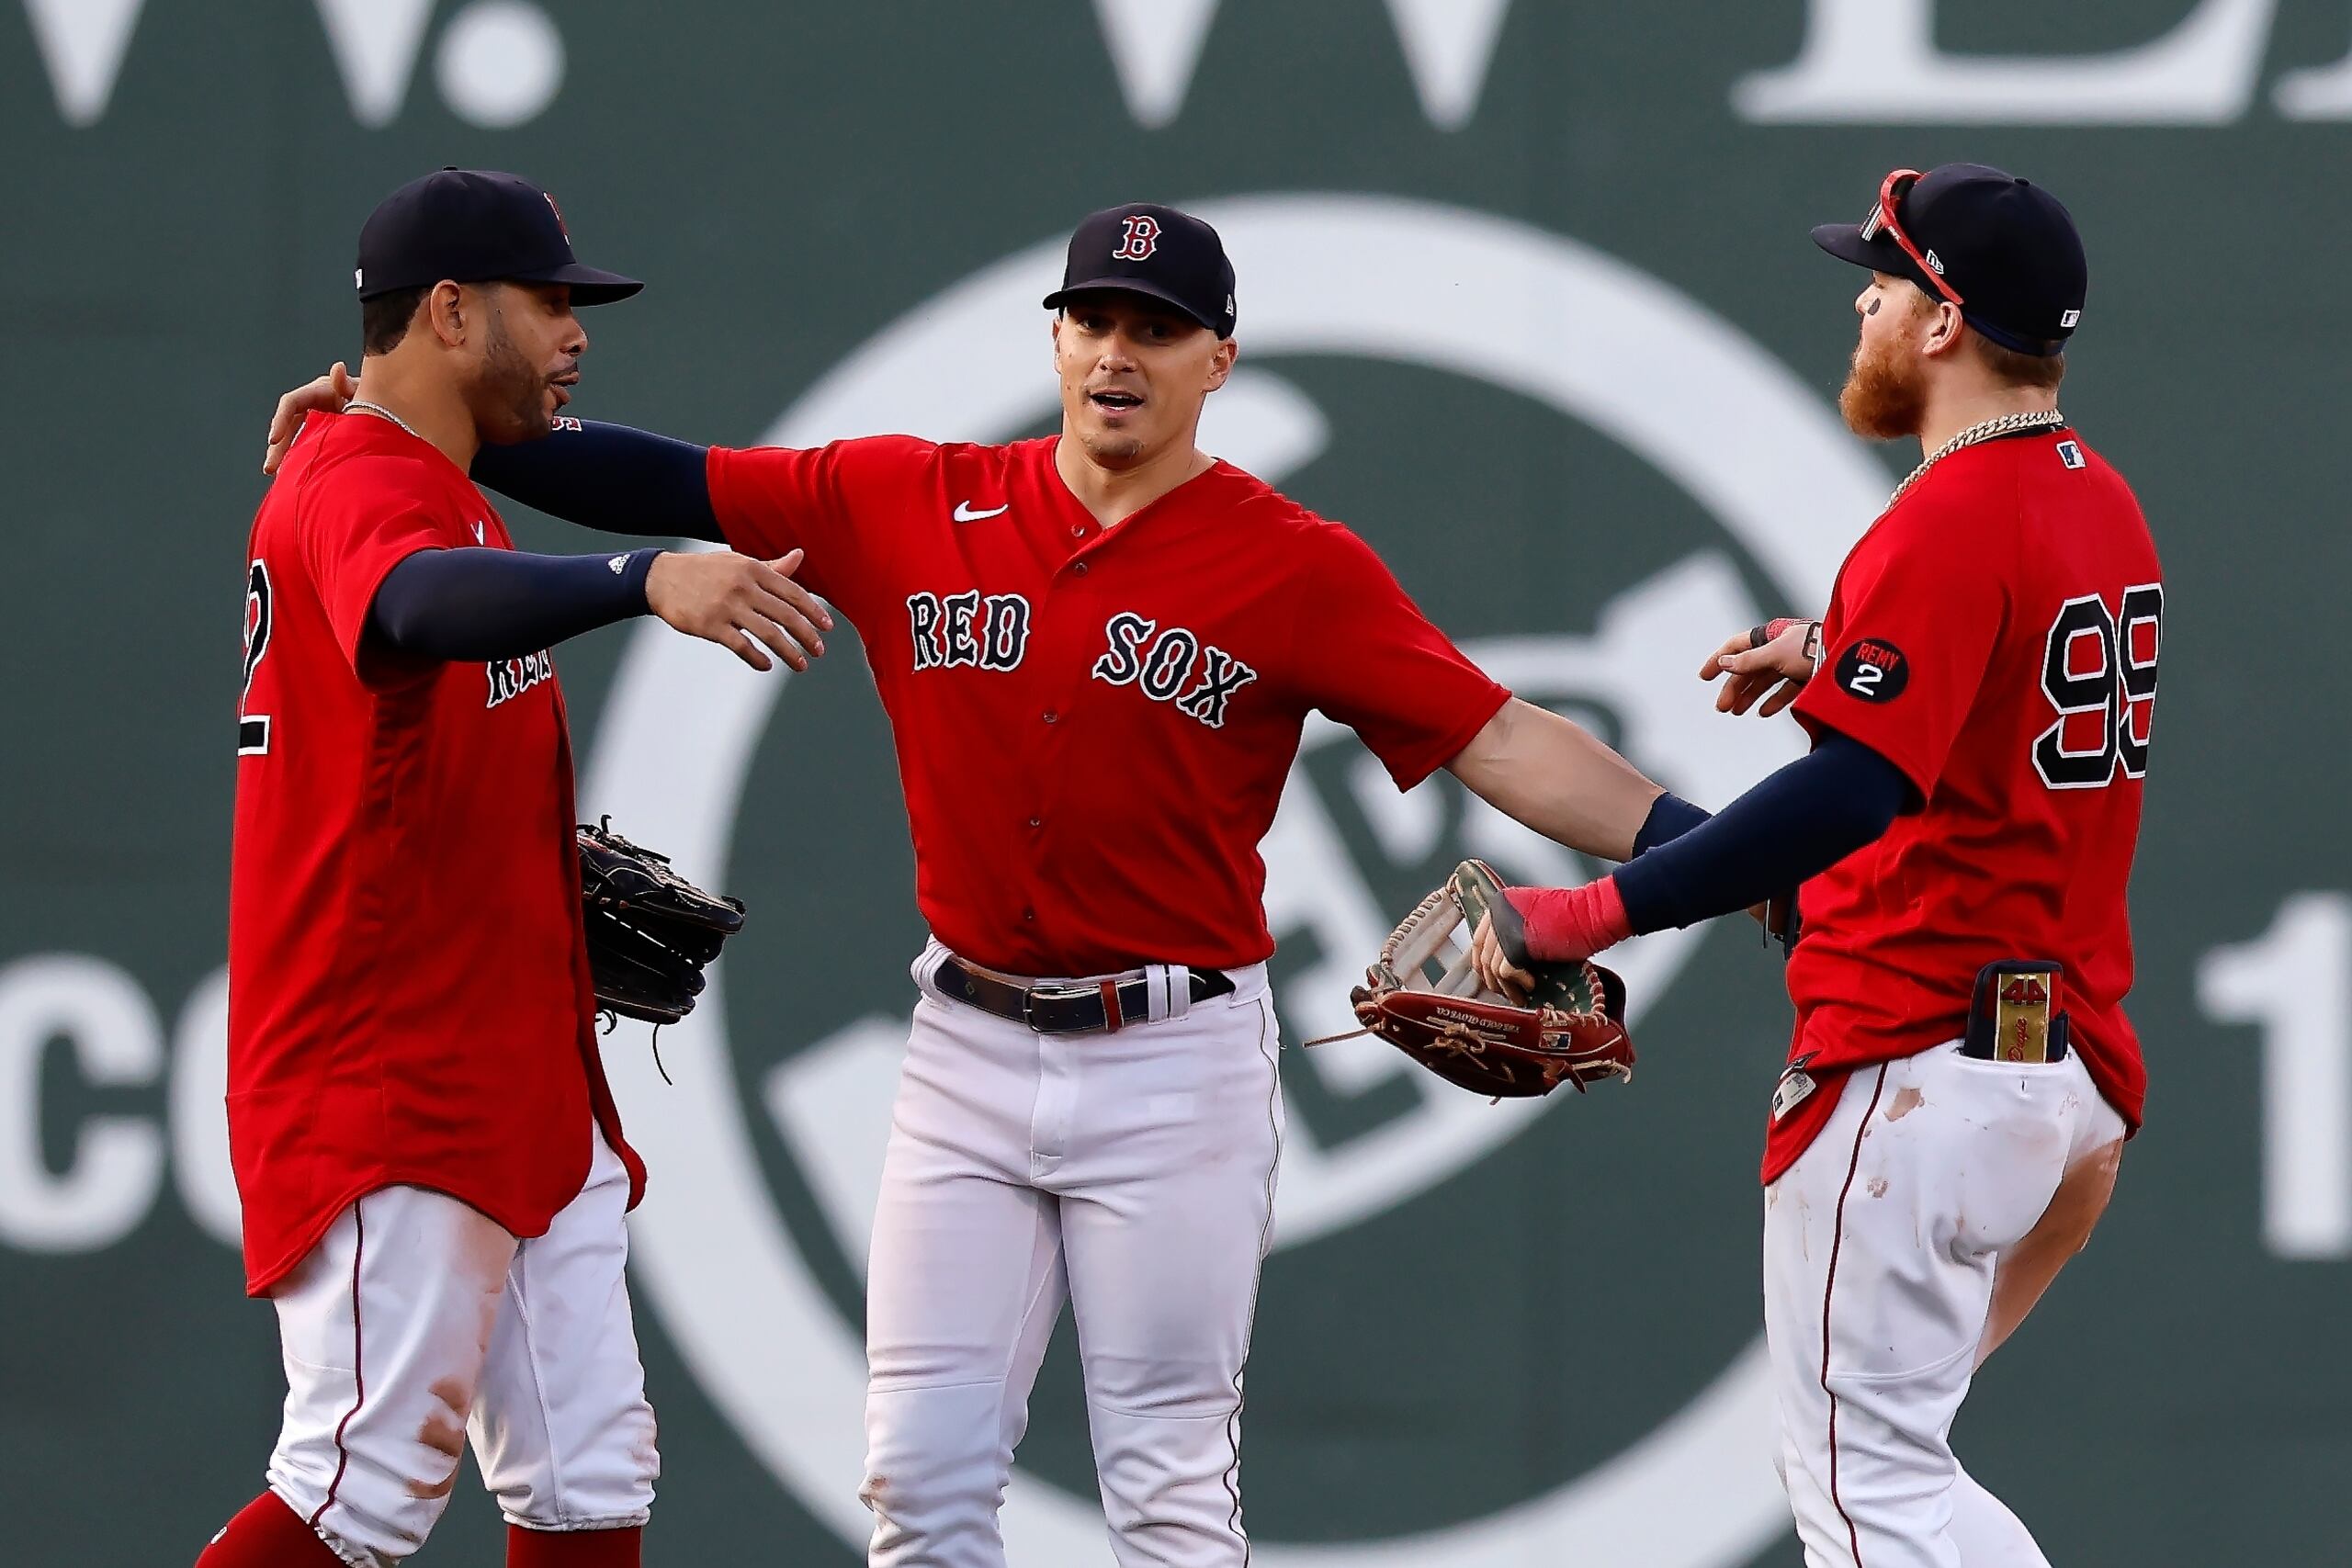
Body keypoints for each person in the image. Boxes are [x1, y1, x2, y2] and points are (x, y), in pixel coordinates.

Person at [263, 199, 1706, 1568]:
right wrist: (388, 420)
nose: (1116, 353)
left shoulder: (1293, 568)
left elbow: (1501, 734)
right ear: (1057, 340)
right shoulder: (912, 498)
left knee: (1168, 1492)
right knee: (923, 1482)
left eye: (1155, 326)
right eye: (1091, 319)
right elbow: (645, 474)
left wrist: (1714, 852)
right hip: (963, 1048)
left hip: (1175, 1061)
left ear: (1220, 360)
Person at [1470, 164, 2159, 1566]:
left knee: (1868, 1494)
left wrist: (1592, 910)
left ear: (1943, 320)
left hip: (1922, 1071)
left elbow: (1858, 786)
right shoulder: (2097, 497)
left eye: (1887, 278)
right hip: (2051, 1059)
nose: (1864, 297)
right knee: (1897, 1473)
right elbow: (1978, 728)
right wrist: (1842, 655)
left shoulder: (1947, 516)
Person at [205, 168, 830, 1568]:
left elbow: (591, 489)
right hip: (395, 1072)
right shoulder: (361, 478)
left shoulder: (418, 462)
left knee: (588, 1472)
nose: (576, 329)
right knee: (355, 1490)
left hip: (509, 1057)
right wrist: (641, 581)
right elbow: (411, 602)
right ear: (447, 308)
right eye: (548, 300)